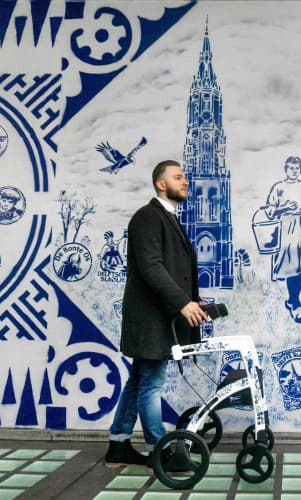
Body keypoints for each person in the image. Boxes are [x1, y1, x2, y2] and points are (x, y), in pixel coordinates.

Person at [105, 159, 210, 468]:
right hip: (152, 320)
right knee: (150, 385)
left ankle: (118, 444)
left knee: (138, 381)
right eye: (178, 177)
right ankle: (158, 449)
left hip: (159, 317)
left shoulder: (168, 218)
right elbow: (152, 267)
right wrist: (182, 303)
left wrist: (195, 301)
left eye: (185, 177)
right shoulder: (147, 218)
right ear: (161, 184)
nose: (185, 181)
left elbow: (176, 270)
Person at [264, 156, 301, 323]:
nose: (294, 171)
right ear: (286, 169)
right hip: (287, 229)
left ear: (300, 170)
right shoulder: (279, 187)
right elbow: (270, 211)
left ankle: (292, 298)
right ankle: (295, 305)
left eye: (297, 168)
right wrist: (285, 207)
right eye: (291, 168)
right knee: (292, 266)